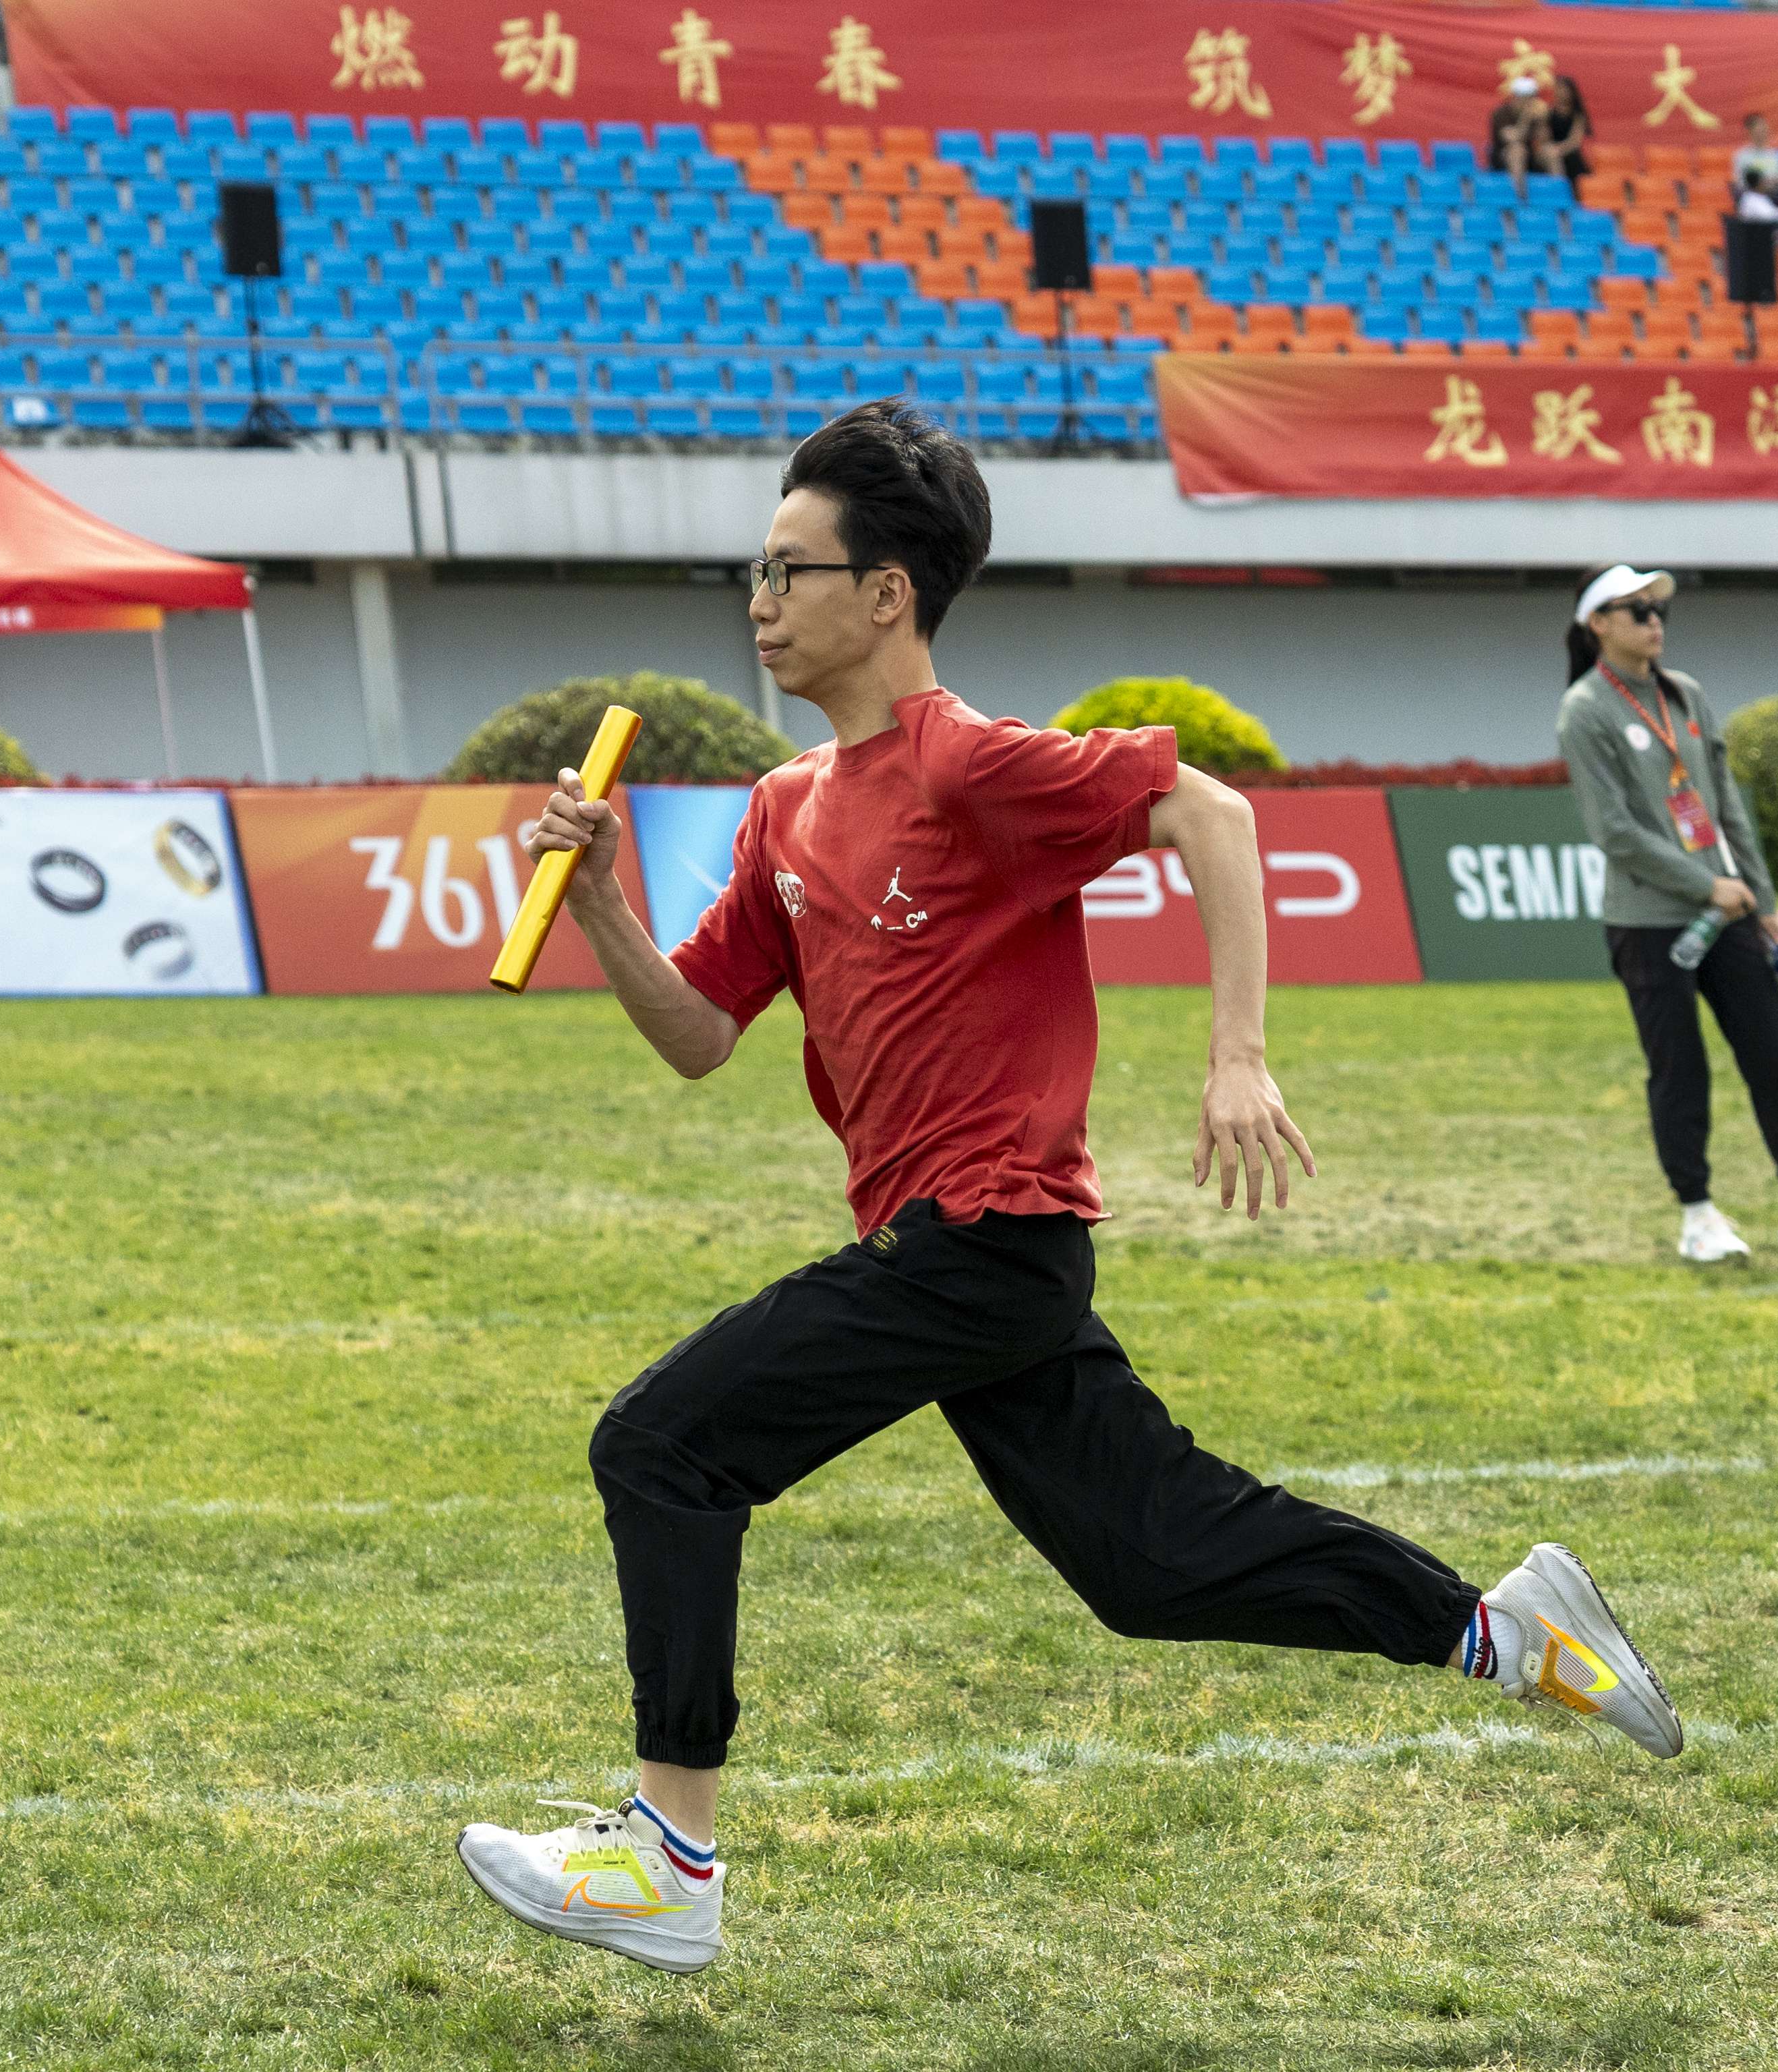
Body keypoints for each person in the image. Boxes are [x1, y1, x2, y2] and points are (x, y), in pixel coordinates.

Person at [451, 403, 1688, 1978]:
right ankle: (1501, 1630)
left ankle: (667, 1855)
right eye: (752, 569)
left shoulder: (968, 762)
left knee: (663, 1445)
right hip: (973, 1263)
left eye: (786, 568)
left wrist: (1237, 1055)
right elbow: (698, 1034)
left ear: (884, 594)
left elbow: (1213, 813)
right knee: (1147, 1565)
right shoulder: (784, 807)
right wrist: (604, 907)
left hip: (984, 1236)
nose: (756, 599)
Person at [1558, 565, 1778, 1265]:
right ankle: (1698, 1217)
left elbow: (1726, 803)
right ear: (1598, 626)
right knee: (1679, 1070)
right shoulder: (1585, 710)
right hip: (1651, 921)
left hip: (1730, 913)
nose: (1654, 620)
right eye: (1636, 609)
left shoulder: (1687, 695)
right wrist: (1707, 886)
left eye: (1658, 609)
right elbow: (1615, 832)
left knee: (1775, 1056)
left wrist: (1760, 900)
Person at [1487, 76, 1548, 186]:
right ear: (1515, 97)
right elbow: (1512, 138)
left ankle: (1559, 191)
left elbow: (1545, 140)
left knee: (1551, 152)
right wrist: (1526, 118)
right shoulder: (1501, 113)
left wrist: (1543, 122)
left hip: (1530, 156)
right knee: (1517, 151)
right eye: (1525, 98)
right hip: (1504, 156)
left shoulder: (1538, 114)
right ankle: (1520, 193)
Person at [1541, 75, 1593, 184]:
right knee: (1549, 156)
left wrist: (1559, 150)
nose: (1561, 93)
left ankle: (1564, 189)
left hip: (1570, 154)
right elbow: (1544, 138)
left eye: (1564, 89)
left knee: (1557, 156)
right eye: (1558, 89)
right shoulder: (1548, 112)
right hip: (1551, 151)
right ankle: (1559, 188)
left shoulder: (1578, 115)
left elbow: (1575, 142)